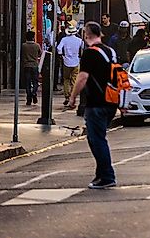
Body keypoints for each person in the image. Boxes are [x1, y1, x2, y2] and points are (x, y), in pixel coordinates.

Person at [65, 21, 119, 189]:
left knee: (96, 140)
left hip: (96, 102)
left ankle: (107, 177)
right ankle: (100, 174)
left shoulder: (90, 53)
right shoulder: (110, 51)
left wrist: (72, 97)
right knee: (98, 137)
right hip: (111, 101)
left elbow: (82, 77)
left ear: (86, 34)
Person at [56, 27, 83, 105]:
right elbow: (83, 48)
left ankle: (67, 96)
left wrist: (62, 56)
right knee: (74, 80)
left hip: (66, 62)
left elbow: (59, 48)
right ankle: (72, 95)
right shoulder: (79, 40)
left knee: (66, 80)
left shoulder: (64, 39)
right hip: (76, 61)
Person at [20, 31, 42, 106]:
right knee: (35, 82)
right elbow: (40, 53)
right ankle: (34, 93)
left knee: (27, 83)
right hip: (35, 65)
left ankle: (29, 97)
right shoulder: (37, 45)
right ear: (33, 37)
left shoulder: (23, 46)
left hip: (26, 66)